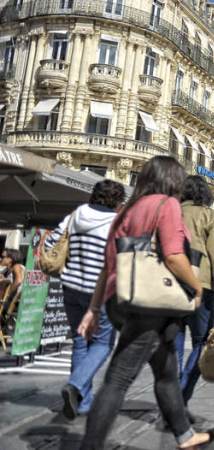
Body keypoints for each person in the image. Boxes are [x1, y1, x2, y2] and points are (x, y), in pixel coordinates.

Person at [77, 156, 214, 449]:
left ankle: (185, 435)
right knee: (118, 379)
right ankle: (90, 445)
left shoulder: (125, 211)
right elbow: (174, 256)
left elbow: (107, 266)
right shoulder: (166, 205)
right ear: (172, 181)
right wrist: (196, 288)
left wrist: (94, 309)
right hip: (149, 303)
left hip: (121, 299)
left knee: (166, 372)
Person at [44, 179, 125, 420]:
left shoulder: (76, 215)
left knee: (80, 343)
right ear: (118, 201)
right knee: (102, 344)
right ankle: (76, 385)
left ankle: (83, 402)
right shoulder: (115, 223)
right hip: (100, 293)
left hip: (70, 287)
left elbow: (51, 243)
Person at [174, 176, 214, 412]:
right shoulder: (209, 216)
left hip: (169, 284)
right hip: (202, 285)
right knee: (202, 342)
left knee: (174, 341)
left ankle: (170, 392)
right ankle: (182, 394)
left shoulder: (170, 213)